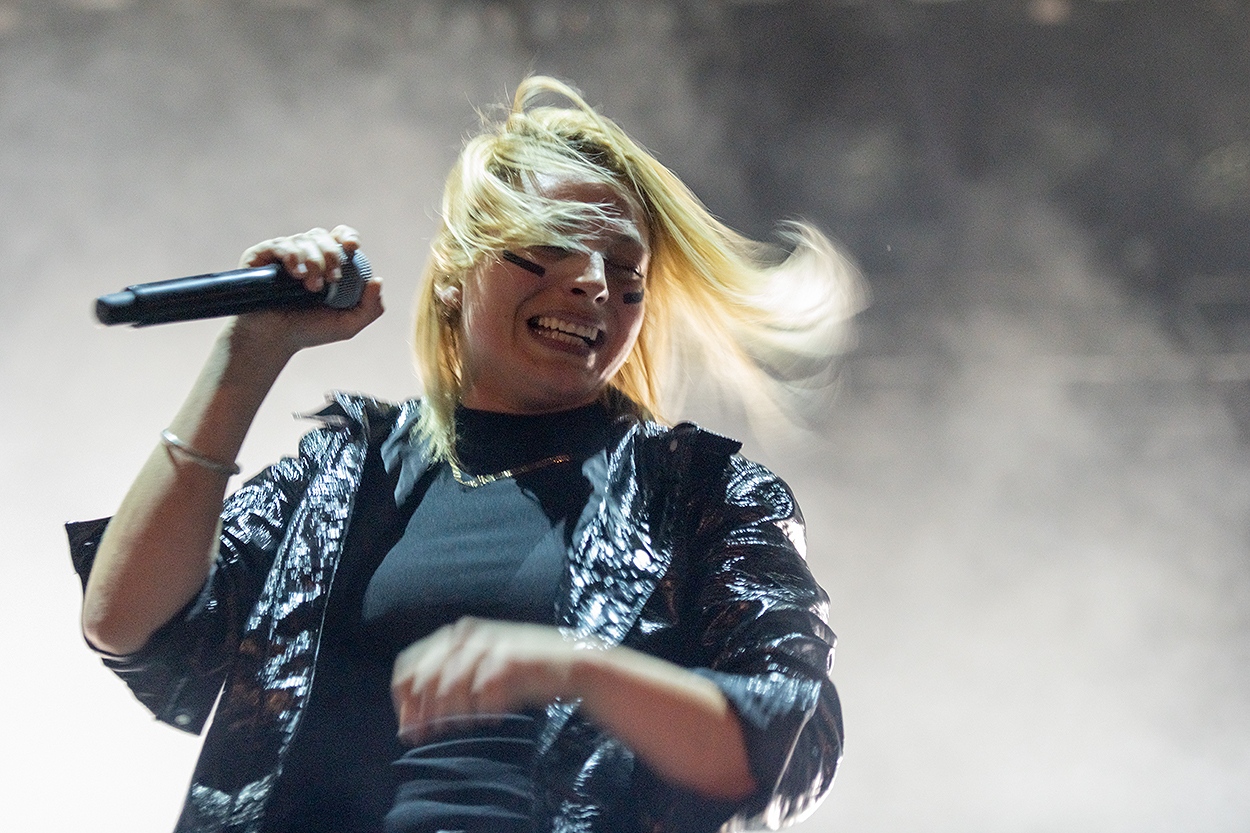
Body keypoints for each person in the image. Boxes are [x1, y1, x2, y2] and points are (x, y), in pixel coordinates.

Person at [68, 76, 853, 833]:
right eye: (552, 245)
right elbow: (128, 624)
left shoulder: (703, 495)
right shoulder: (344, 473)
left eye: (624, 270)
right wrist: (250, 350)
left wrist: (574, 669)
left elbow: (790, 743)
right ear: (454, 272)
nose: (591, 282)